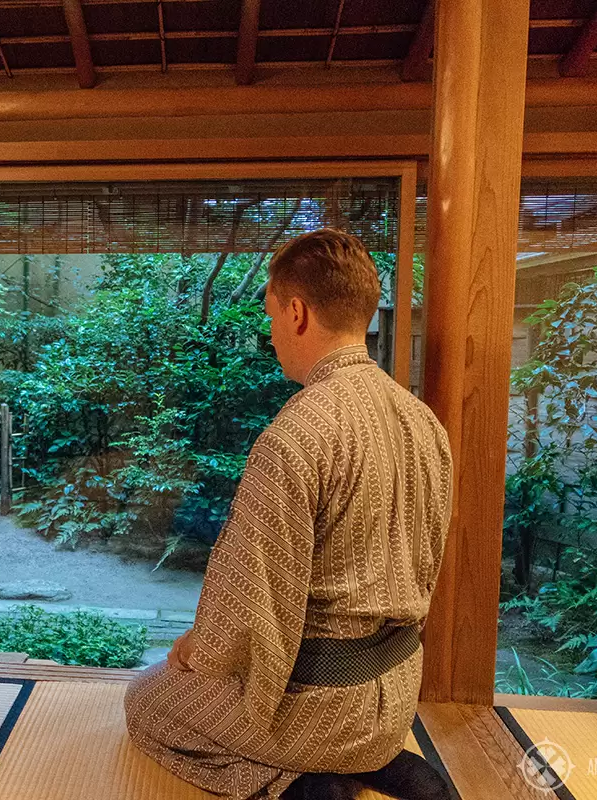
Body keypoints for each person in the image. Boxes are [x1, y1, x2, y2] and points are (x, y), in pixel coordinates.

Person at [124, 229, 454, 800]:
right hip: (396, 690)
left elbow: (248, 605)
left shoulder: (298, 434)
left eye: (272, 315)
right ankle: (381, 764)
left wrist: (199, 649)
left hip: (316, 703)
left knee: (147, 702)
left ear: (297, 312)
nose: (271, 334)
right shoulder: (422, 421)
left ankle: (300, 785)